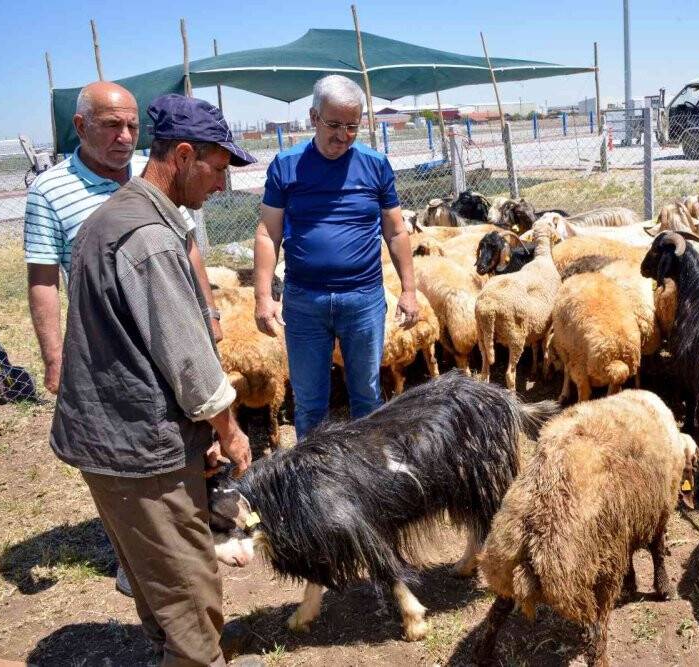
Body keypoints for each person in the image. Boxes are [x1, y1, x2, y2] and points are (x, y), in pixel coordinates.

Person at [49, 94, 256, 666]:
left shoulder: (111, 216)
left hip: (108, 440)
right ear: (185, 156)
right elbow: (189, 362)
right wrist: (229, 430)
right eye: (217, 169)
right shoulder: (150, 238)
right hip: (138, 448)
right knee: (188, 590)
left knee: (154, 578)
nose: (221, 184)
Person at [23, 81, 223, 599]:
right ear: (80, 126)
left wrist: (207, 311)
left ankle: (169, 551)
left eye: (133, 126)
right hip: (112, 341)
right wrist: (53, 355)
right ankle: (150, 562)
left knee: (178, 444)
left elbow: (187, 247)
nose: (124, 136)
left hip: (166, 326)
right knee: (135, 452)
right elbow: (44, 277)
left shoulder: (151, 180)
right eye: (112, 125)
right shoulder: (52, 192)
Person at [252, 75, 419, 439]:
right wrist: (263, 296)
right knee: (311, 401)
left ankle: (366, 474)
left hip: (363, 299)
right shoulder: (287, 165)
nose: (342, 135)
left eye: (352, 127)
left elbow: (396, 230)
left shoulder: (375, 165)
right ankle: (313, 481)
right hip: (304, 301)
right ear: (313, 117)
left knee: (368, 394)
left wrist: (409, 289)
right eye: (333, 125)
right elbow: (268, 232)